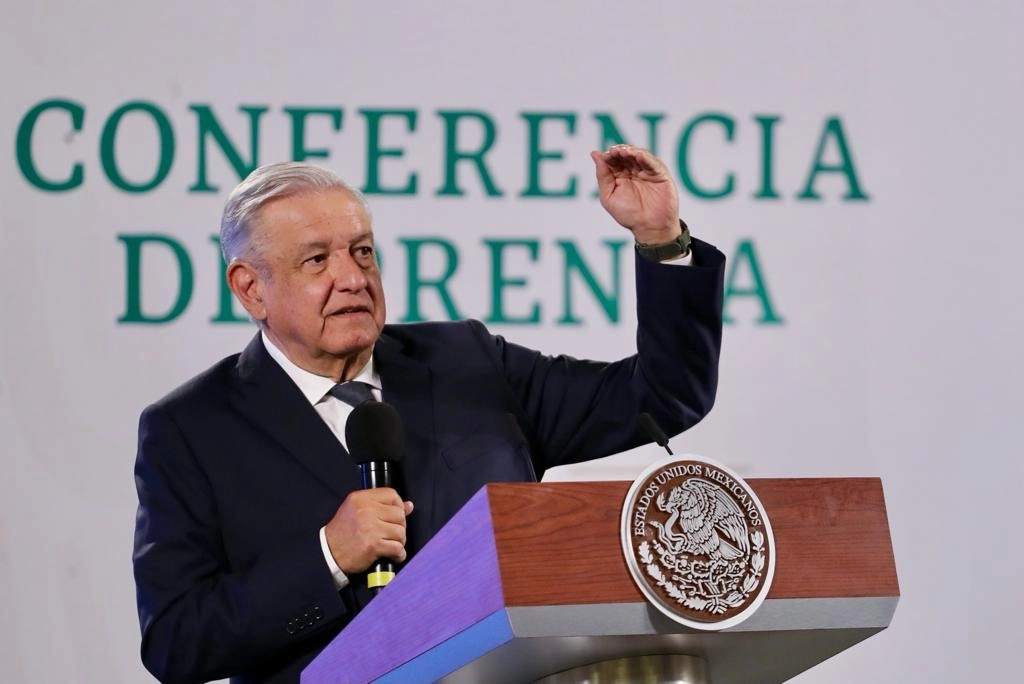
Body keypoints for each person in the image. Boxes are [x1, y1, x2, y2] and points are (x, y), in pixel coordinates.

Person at [132, 145, 725, 684]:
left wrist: (661, 240)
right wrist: (328, 558)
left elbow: (664, 397)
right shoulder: (191, 430)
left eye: (362, 251)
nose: (352, 277)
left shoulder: (466, 361)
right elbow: (178, 645)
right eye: (316, 260)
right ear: (250, 288)